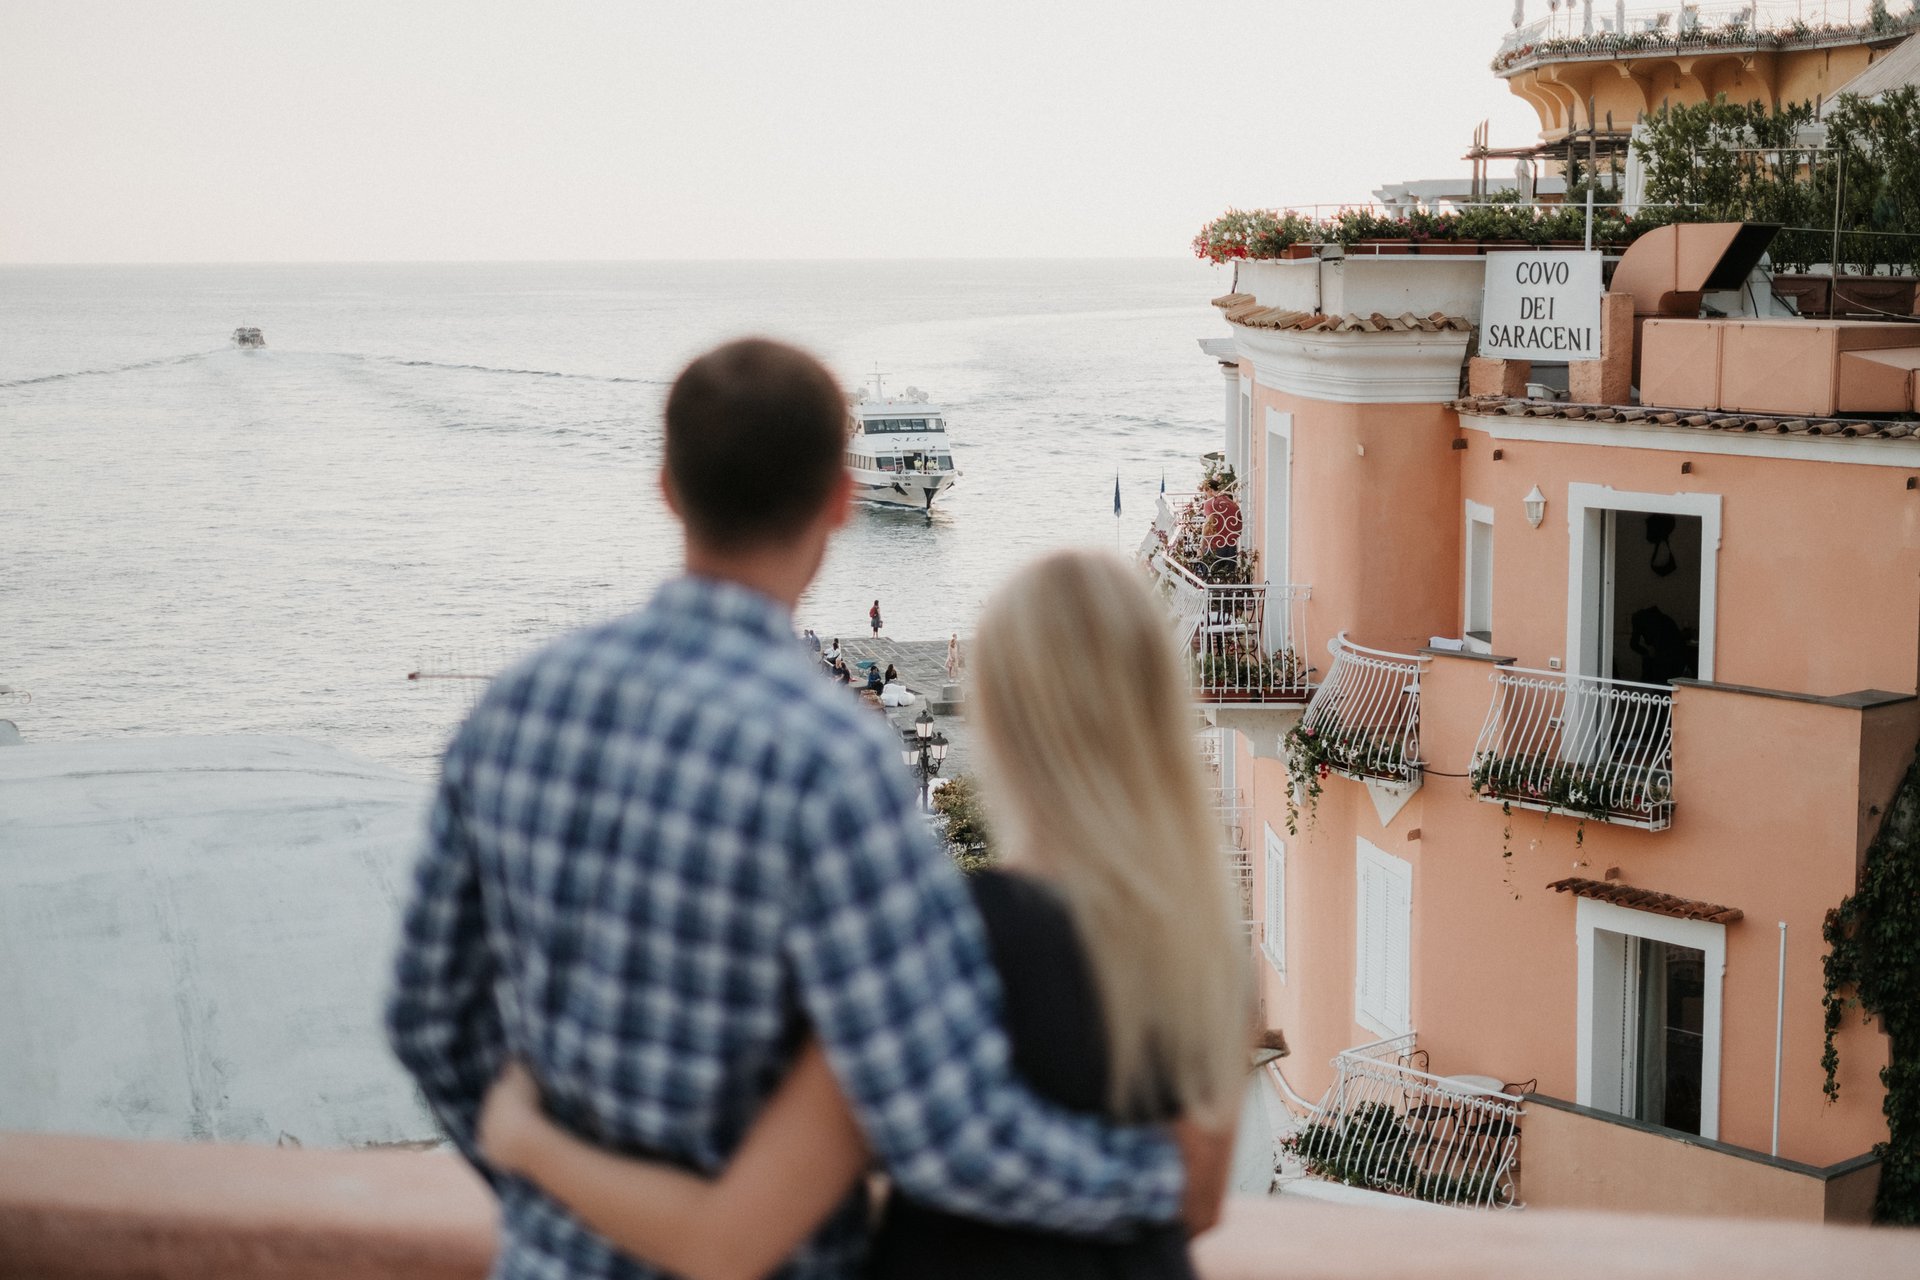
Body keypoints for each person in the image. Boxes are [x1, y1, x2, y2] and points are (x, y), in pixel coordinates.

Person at [387, 339, 1217, 1280]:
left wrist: (552, 1201)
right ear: (838, 498)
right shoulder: (831, 760)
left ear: (666, 487)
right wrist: (1157, 1180)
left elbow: (425, 1019)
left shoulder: (515, 709)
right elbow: (937, 1126)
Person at [476, 549, 1249, 1280]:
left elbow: (731, 1239)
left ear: (1003, 719)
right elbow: (1199, 1201)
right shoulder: (1213, 952)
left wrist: (528, 1141)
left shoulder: (946, 935)